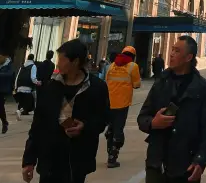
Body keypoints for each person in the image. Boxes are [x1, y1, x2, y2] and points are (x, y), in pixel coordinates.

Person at [21, 39, 110, 183]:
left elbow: (103, 119)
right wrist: (29, 161)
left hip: (77, 160)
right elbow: (38, 126)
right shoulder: (51, 87)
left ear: (75, 62)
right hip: (50, 159)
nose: (58, 64)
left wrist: (84, 127)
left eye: (62, 60)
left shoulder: (96, 88)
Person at [138, 35, 206, 183]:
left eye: (177, 51)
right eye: (172, 49)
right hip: (157, 163)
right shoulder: (161, 82)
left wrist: (200, 160)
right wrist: (153, 123)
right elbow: (142, 117)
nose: (171, 54)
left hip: (186, 166)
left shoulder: (203, 89)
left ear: (189, 57)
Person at [104, 44, 141, 168]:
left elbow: (106, 81)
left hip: (109, 103)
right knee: (118, 129)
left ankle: (110, 149)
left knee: (112, 127)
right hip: (122, 103)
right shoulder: (133, 66)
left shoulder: (111, 66)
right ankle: (112, 157)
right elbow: (137, 84)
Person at [15, 53, 39, 120]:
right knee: (28, 103)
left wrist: (16, 87)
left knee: (22, 102)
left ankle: (20, 111)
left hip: (19, 87)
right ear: (33, 59)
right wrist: (37, 82)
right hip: (27, 87)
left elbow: (17, 77)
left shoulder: (22, 66)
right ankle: (20, 111)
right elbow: (33, 77)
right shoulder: (33, 66)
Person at [0, 53, 14, 135]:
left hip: (2, 89)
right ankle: (5, 122)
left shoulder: (9, 65)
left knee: (0, 107)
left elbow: (10, 74)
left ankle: (4, 122)